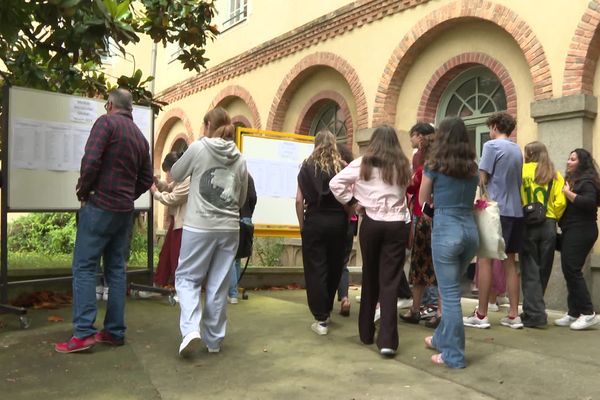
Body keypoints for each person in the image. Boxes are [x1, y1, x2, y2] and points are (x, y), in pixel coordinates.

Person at [55, 88, 153, 353]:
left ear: (109, 104)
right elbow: (147, 178)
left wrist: (83, 192)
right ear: (129, 108)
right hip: (124, 211)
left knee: (85, 267)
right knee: (116, 270)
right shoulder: (140, 138)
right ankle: (114, 332)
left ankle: (84, 333)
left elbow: (91, 161)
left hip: (99, 206)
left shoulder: (105, 124)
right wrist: (127, 195)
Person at [172, 108, 248, 357]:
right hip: (229, 228)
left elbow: (175, 173)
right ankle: (214, 341)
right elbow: (241, 197)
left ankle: (191, 330)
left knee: (187, 279)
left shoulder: (199, 148)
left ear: (206, 125)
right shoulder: (240, 158)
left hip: (199, 226)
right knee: (218, 284)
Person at [330, 125, 411, 356]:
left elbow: (335, 183)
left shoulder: (362, 163)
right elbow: (405, 192)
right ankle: (387, 341)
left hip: (372, 223)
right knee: (390, 281)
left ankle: (365, 332)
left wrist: (354, 201)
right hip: (397, 224)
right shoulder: (403, 165)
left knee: (370, 276)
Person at [420, 117, 479, 368]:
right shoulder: (472, 167)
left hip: (446, 229)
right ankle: (440, 338)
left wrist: (433, 206)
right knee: (453, 289)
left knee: (450, 295)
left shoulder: (434, 164)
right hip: (470, 231)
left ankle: (453, 356)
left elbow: (423, 199)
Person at [464, 112, 524, 329]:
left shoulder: (491, 146)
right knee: (510, 262)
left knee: (485, 259)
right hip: (516, 211)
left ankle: (481, 315)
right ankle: (514, 314)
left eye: (490, 127)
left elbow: (482, 178)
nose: (489, 130)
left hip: (496, 210)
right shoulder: (517, 148)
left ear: (496, 126)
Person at [296, 130, 348, 335]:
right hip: (338, 222)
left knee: (315, 268)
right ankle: (327, 309)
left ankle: (321, 319)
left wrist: (302, 225)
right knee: (335, 266)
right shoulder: (341, 167)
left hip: (315, 221)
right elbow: (348, 199)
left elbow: (299, 200)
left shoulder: (306, 167)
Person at [519, 141, 566, 327]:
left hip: (527, 223)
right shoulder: (554, 174)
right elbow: (561, 202)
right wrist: (552, 215)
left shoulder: (521, 171)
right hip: (548, 224)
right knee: (542, 270)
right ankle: (533, 310)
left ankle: (536, 314)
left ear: (529, 153)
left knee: (530, 269)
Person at [555, 148, 600, 330]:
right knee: (569, 269)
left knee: (572, 269)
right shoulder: (572, 182)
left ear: (581, 162)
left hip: (582, 230)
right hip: (571, 229)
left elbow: (589, 204)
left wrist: (568, 194)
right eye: (568, 158)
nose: (568, 161)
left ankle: (588, 313)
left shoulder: (587, 182)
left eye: (573, 159)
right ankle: (574, 312)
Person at [401, 129, 440, 328]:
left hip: (424, 218)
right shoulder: (453, 168)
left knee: (422, 263)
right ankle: (432, 307)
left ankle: (426, 305)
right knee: (436, 264)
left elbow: (412, 188)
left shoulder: (426, 169)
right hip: (441, 219)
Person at [151, 151, 190, 289]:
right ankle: (158, 284)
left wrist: (155, 193)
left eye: (169, 171)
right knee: (166, 255)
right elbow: (169, 187)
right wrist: (157, 183)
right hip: (176, 222)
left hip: (183, 224)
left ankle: (179, 288)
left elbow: (173, 198)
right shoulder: (181, 178)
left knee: (176, 257)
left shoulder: (188, 180)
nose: (169, 174)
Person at [228, 174, 257, 304]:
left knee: (231, 258)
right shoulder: (248, 177)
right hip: (246, 218)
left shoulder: (231, 175)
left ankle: (232, 293)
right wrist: (248, 213)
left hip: (233, 218)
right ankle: (234, 291)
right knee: (237, 258)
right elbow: (253, 197)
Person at [335, 142, 356, 317]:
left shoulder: (337, 170)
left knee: (329, 261)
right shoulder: (355, 170)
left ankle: (325, 302)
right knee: (343, 263)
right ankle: (344, 298)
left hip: (337, 218)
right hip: (352, 221)